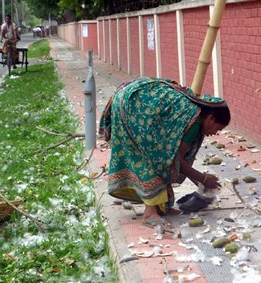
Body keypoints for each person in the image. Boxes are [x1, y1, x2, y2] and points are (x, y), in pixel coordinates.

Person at [99, 77, 231, 228]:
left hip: (129, 99)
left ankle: (158, 206)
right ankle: (150, 214)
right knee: (156, 156)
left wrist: (200, 181)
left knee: (159, 154)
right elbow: (174, 160)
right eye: (217, 128)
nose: (214, 133)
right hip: (132, 104)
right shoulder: (193, 120)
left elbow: (178, 159)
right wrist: (203, 177)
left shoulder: (193, 115)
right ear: (210, 118)